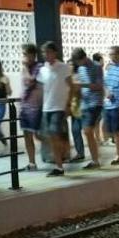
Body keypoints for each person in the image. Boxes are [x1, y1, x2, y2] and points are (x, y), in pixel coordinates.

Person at [37, 42, 74, 177]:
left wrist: (68, 105)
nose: (45, 55)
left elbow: (72, 87)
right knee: (51, 136)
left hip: (59, 107)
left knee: (54, 134)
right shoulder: (42, 70)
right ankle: (59, 164)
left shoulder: (64, 67)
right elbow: (42, 90)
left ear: (54, 53)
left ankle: (60, 163)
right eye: (43, 53)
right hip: (46, 108)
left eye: (48, 52)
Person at [76, 49, 104, 169]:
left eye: (79, 61)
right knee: (87, 132)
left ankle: (95, 159)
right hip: (84, 103)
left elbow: (99, 86)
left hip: (95, 103)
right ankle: (95, 158)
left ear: (83, 58)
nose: (79, 64)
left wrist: (82, 85)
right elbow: (81, 85)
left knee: (87, 131)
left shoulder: (96, 67)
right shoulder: (80, 69)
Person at [19, 44, 42, 171]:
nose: (24, 57)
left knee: (38, 136)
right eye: (23, 54)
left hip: (35, 107)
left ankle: (59, 150)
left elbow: (31, 82)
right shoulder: (25, 69)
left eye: (25, 54)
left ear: (33, 55)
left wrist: (25, 68)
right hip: (25, 106)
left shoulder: (39, 67)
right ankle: (32, 162)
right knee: (27, 135)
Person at [68, 49, 87, 163]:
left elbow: (80, 90)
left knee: (84, 130)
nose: (69, 66)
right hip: (73, 107)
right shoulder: (67, 77)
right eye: (68, 64)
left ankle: (84, 152)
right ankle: (80, 153)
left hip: (82, 106)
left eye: (71, 64)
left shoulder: (78, 75)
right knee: (75, 130)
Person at [92, 52, 107, 145]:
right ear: (100, 60)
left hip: (97, 99)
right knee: (98, 120)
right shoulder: (98, 69)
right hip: (98, 100)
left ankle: (98, 139)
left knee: (97, 120)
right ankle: (99, 139)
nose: (104, 62)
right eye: (103, 60)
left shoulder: (93, 69)